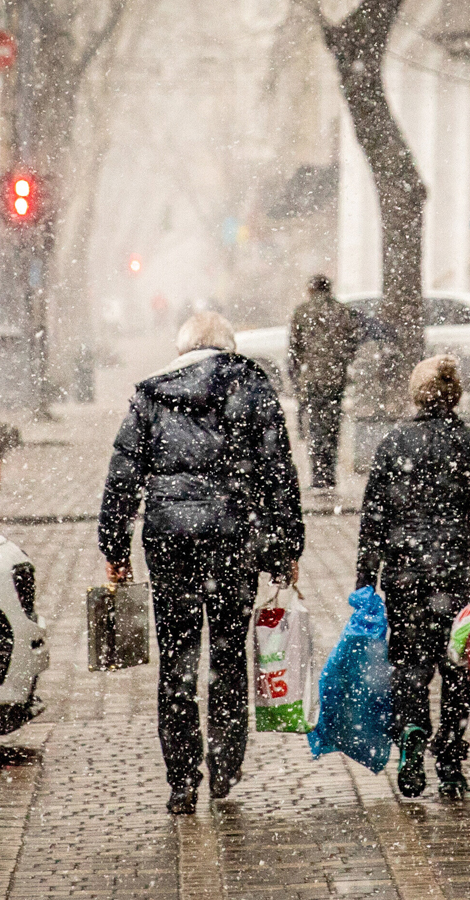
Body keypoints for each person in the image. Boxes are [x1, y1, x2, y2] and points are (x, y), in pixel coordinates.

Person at [99, 311, 304, 815]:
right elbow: (278, 471)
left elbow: (123, 475)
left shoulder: (150, 395)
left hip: (171, 540)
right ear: (227, 346)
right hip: (234, 538)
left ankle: (182, 780)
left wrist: (114, 548)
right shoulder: (253, 388)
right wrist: (284, 549)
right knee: (230, 655)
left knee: (177, 661)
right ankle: (225, 766)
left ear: (181, 346)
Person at [354, 355, 470, 800]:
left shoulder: (393, 444)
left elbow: (374, 521)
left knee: (409, 667)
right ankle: (449, 761)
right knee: (458, 672)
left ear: (416, 394)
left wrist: (366, 579)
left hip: (407, 579)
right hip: (464, 578)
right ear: (455, 395)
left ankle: (412, 734)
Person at [287, 275, 361, 492]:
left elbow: (294, 348)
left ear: (311, 290)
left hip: (311, 379)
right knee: (332, 426)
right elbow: (352, 344)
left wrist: (296, 375)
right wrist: (340, 363)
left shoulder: (302, 312)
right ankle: (330, 475)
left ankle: (319, 475)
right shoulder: (342, 311)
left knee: (315, 427)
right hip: (335, 379)